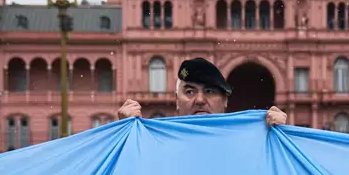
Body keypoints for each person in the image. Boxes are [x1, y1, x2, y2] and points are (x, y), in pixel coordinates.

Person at [117, 57, 287, 126]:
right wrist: (123, 131)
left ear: (226, 100)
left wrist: (281, 137)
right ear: (177, 99)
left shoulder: (251, 143)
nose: (199, 100)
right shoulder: (151, 142)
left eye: (210, 91)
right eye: (190, 92)